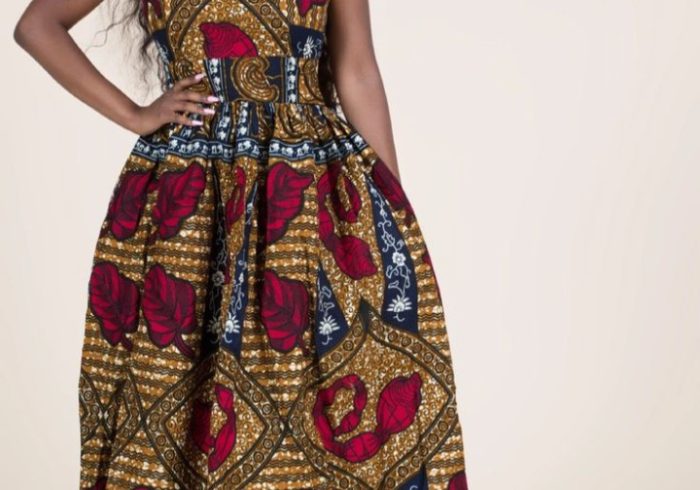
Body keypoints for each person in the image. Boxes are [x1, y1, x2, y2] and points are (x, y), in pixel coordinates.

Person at [14, 1, 469, 488]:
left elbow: (356, 70)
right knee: (179, 397)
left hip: (307, 192)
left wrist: (390, 212)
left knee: (318, 400)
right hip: (193, 204)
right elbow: (37, 26)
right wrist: (134, 114)